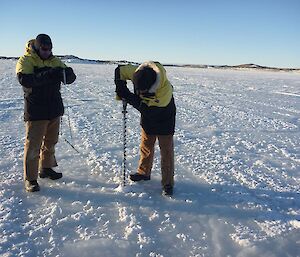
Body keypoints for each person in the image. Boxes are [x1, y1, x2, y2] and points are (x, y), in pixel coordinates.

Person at [16, 34, 76, 192]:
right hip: (36, 110)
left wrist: (68, 74)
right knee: (33, 146)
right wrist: (49, 74)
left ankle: (46, 168)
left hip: (54, 109)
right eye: (44, 49)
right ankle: (31, 179)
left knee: (50, 142)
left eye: (49, 49)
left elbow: (69, 77)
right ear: (37, 46)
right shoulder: (26, 60)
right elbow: (26, 80)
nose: (47, 52)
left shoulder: (54, 60)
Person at [114, 61, 176, 196]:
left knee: (166, 151)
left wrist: (128, 96)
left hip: (164, 117)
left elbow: (149, 111)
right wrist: (120, 86)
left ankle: (168, 183)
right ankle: (144, 172)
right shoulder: (138, 72)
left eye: (143, 90)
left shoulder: (164, 92)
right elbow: (119, 70)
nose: (140, 92)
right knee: (146, 145)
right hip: (148, 115)